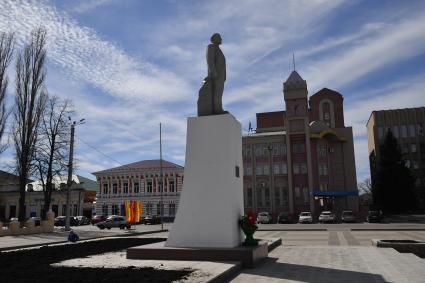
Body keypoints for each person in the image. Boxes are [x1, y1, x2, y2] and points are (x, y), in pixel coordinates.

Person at [207, 33, 226, 114]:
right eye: (219, 37)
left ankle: (219, 108)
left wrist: (224, 76)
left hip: (221, 75)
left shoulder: (219, 50)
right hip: (216, 75)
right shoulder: (211, 47)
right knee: (216, 93)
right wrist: (213, 72)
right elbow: (210, 60)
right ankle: (217, 110)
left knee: (219, 93)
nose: (221, 39)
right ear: (215, 39)